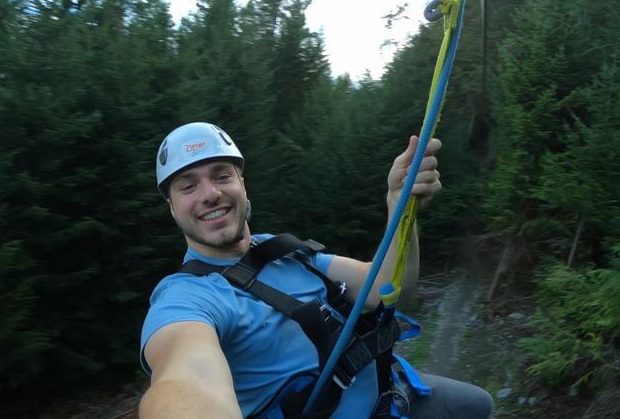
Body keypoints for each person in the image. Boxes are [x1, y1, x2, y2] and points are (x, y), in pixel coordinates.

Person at [139, 122, 493, 419]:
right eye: (188, 186)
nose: (210, 193)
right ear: (172, 208)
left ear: (242, 185)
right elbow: (186, 378)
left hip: (392, 394)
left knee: (479, 403)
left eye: (221, 175)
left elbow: (386, 285)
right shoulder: (186, 298)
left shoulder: (284, 252)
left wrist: (399, 204)